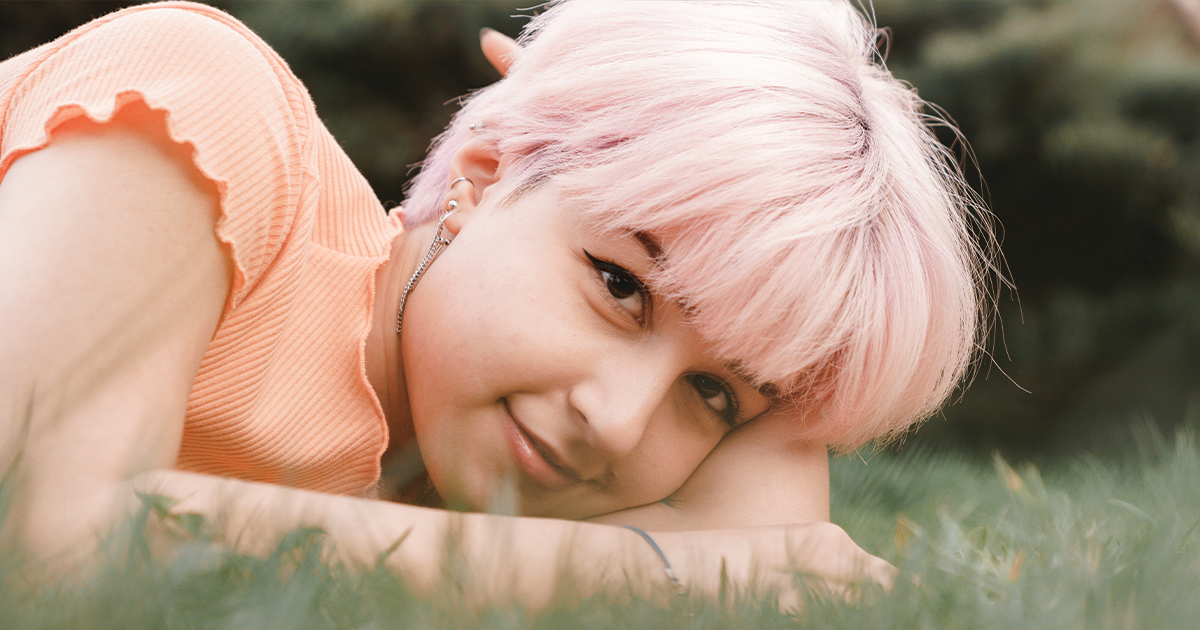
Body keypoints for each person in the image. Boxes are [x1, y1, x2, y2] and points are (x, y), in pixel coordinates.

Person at [0, 0, 991, 608]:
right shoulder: (203, 98)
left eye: (715, 396)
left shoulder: (471, 497)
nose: (618, 418)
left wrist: (783, 383)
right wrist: (654, 572)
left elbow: (780, 581)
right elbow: (40, 535)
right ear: (483, 173)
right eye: (619, 286)